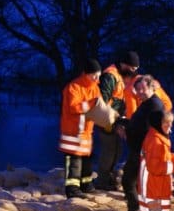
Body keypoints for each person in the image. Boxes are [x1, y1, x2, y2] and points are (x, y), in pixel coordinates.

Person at [116, 74, 164, 211]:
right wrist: (122, 123)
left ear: (151, 87)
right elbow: (136, 123)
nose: (140, 92)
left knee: (140, 184)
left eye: (143, 88)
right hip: (138, 149)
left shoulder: (155, 105)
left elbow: (150, 130)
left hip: (146, 152)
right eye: (137, 90)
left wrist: (128, 130)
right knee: (130, 181)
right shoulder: (146, 103)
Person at [94, 51, 138, 190]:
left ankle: (109, 178)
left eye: (136, 69)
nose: (134, 71)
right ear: (124, 64)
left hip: (116, 118)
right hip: (107, 119)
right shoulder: (110, 76)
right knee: (109, 150)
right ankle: (102, 181)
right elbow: (103, 102)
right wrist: (113, 121)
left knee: (117, 150)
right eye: (132, 68)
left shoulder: (120, 75)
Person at [59, 58, 102, 198]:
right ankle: (72, 189)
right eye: (94, 75)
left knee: (86, 159)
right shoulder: (73, 87)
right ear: (87, 73)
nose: (97, 79)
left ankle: (86, 185)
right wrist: (92, 104)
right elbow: (74, 108)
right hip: (72, 131)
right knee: (74, 161)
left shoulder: (95, 87)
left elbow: (99, 106)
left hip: (86, 130)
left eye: (99, 75)